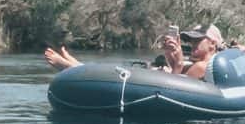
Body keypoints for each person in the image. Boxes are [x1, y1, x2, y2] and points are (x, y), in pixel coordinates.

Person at [44, 23, 225, 81]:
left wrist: (177, 63)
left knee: (121, 73)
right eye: (190, 40)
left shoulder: (202, 66)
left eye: (197, 40)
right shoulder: (199, 64)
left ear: (213, 44)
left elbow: (178, 89)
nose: (192, 44)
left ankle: (71, 68)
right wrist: (171, 59)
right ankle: (76, 66)